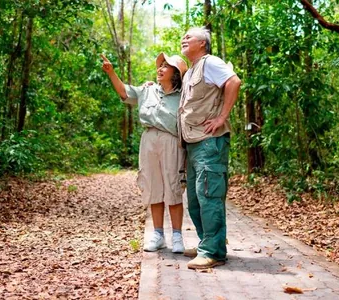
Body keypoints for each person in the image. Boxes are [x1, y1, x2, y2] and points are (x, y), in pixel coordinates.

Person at [101, 52, 188, 253]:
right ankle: (158, 235)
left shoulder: (183, 96)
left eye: (166, 66)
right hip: (149, 139)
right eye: (160, 65)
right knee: (153, 186)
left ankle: (177, 236)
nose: (160, 69)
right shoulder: (147, 90)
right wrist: (111, 72)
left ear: (175, 73)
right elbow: (124, 92)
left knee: (173, 187)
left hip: (171, 141)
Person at [178, 28, 242, 269]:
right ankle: (209, 241)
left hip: (209, 142)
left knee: (209, 196)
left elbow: (234, 82)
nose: (184, 39)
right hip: (193, 143)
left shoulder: (210, 63)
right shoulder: (191, 71)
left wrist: (221, 117)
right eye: (183, 37)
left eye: (189, 37)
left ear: (203, 44)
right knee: (195, 200)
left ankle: (212, 251)